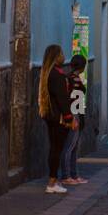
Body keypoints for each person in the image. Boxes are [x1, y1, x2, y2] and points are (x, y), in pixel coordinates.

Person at [38, 45, 72, 194]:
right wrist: (69, 118)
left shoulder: (47, 74)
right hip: (58, 117)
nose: (64, 56)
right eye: (61, 53)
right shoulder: (57, 76)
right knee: (57, 149)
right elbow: (62, 99)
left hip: (50, 115)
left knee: (54, 148)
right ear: (56, 56)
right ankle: (52, 181)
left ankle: (53, 180)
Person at [58, 54, 88, 186]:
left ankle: (74, 174)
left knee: (74, 147)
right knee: (70, 146)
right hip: (74, 114)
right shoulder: (74, 80)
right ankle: (66, 175)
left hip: (75, 113)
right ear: (82, 67)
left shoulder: (70, 78)